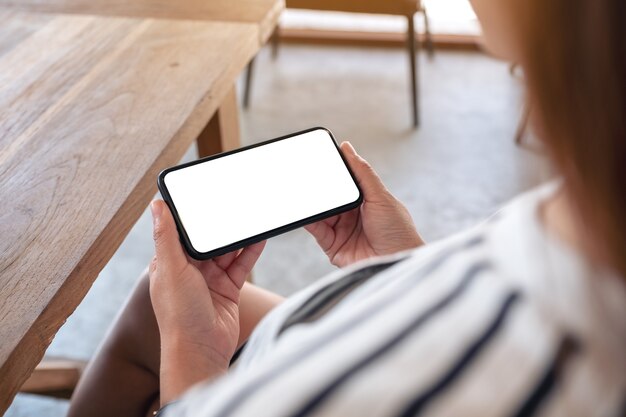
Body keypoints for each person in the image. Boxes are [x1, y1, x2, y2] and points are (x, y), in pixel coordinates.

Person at [68, 0, 626, 415]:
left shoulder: (338, 394)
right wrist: (405, 269)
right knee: (150, 300)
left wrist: (194, 359)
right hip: (435, 306)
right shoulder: (595, 203)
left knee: (165, 312)